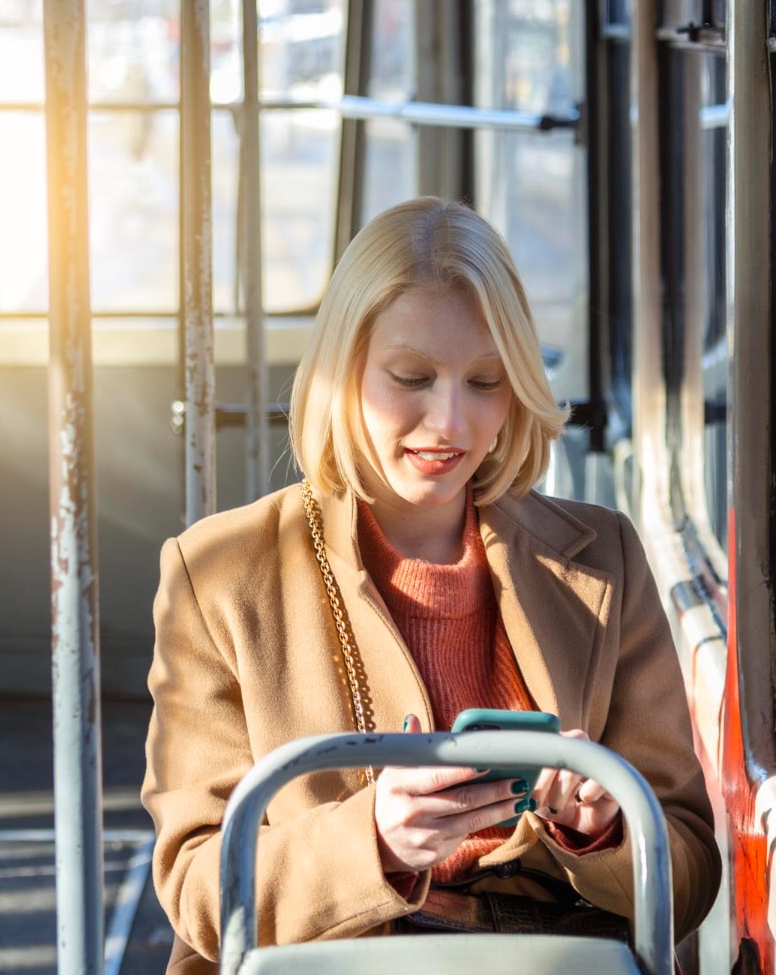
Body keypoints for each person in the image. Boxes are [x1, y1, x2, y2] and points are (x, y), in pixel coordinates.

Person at [141, 197, 720, 973]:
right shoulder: (218, 574)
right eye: (411, 377)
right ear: (343, 372)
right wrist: (373, 840)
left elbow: (689, 874)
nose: (449, 423)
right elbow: (198, 890)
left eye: (485, 382)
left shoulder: (603, 556)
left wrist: (605, 830)